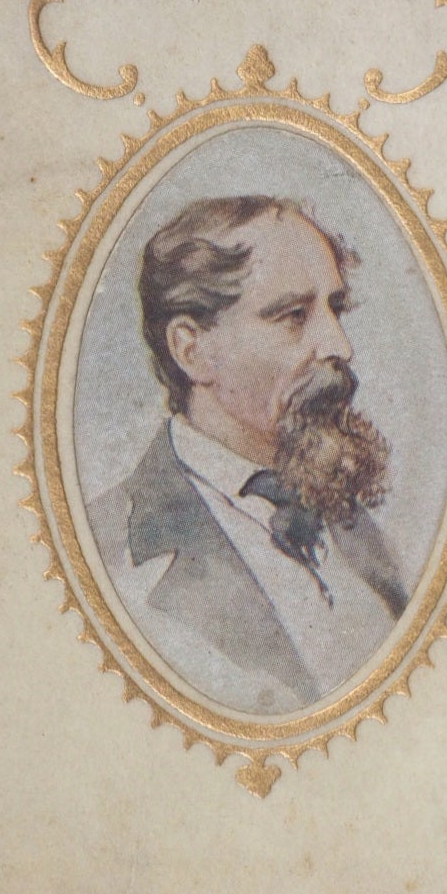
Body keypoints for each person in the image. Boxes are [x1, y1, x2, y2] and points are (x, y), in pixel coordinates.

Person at [88, 195, 408, 715]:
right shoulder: (111, 550)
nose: (339, 346)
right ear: (192, 350)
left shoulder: (358, 528)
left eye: (335, 308)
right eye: (294, 316)